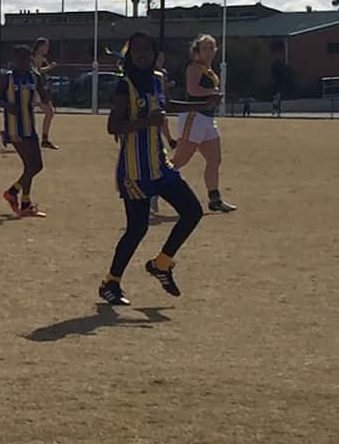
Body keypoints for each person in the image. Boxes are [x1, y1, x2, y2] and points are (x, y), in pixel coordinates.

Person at [98, 32, 210, 306]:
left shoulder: (158, 78)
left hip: (160, 165)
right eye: (137, 50)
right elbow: (113, 126)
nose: (142, 54)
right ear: (129, 54)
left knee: (193, 211)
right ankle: (111, 282)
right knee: (137, 229)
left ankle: (161, 264)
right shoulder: (125, 86)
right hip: (135, 171)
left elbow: (166, 106)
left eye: (147, 49)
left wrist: (199, 106)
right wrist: (145, 121)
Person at [170, 34, 236, 213]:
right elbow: (193, 90)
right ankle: (154, 188)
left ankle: (215, 199)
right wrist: (212, 92)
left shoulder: (209, 70)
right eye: (205, 48)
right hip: (194, 116)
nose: (209, 52)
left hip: (207, 118)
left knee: (214, 159)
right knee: (181, 159)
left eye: (212, 48)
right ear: (197, 50)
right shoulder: (194, 68)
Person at [0, 44, 47, 219]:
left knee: (36, 166)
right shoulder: (8, 78)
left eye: (27, 58)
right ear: (14, 60)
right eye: (20, 58)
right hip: (15, 129)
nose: (24, 62)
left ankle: (20, 198)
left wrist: (46, 97)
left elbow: (42, 92)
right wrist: (6, 105)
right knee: (31, 166)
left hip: (30, 126)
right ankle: (16, 196)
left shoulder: (34, 76)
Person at [32, 37, 59, 149]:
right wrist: (50, 67)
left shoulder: (39, 56)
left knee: (25, 113)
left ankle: (9, 134)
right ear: (40, 46)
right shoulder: (37, 56)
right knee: (49, 112)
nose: (47, 48)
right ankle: (44, 139)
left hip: (37, 88)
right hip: (37, 90)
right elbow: (38, 71)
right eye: (46, 46)